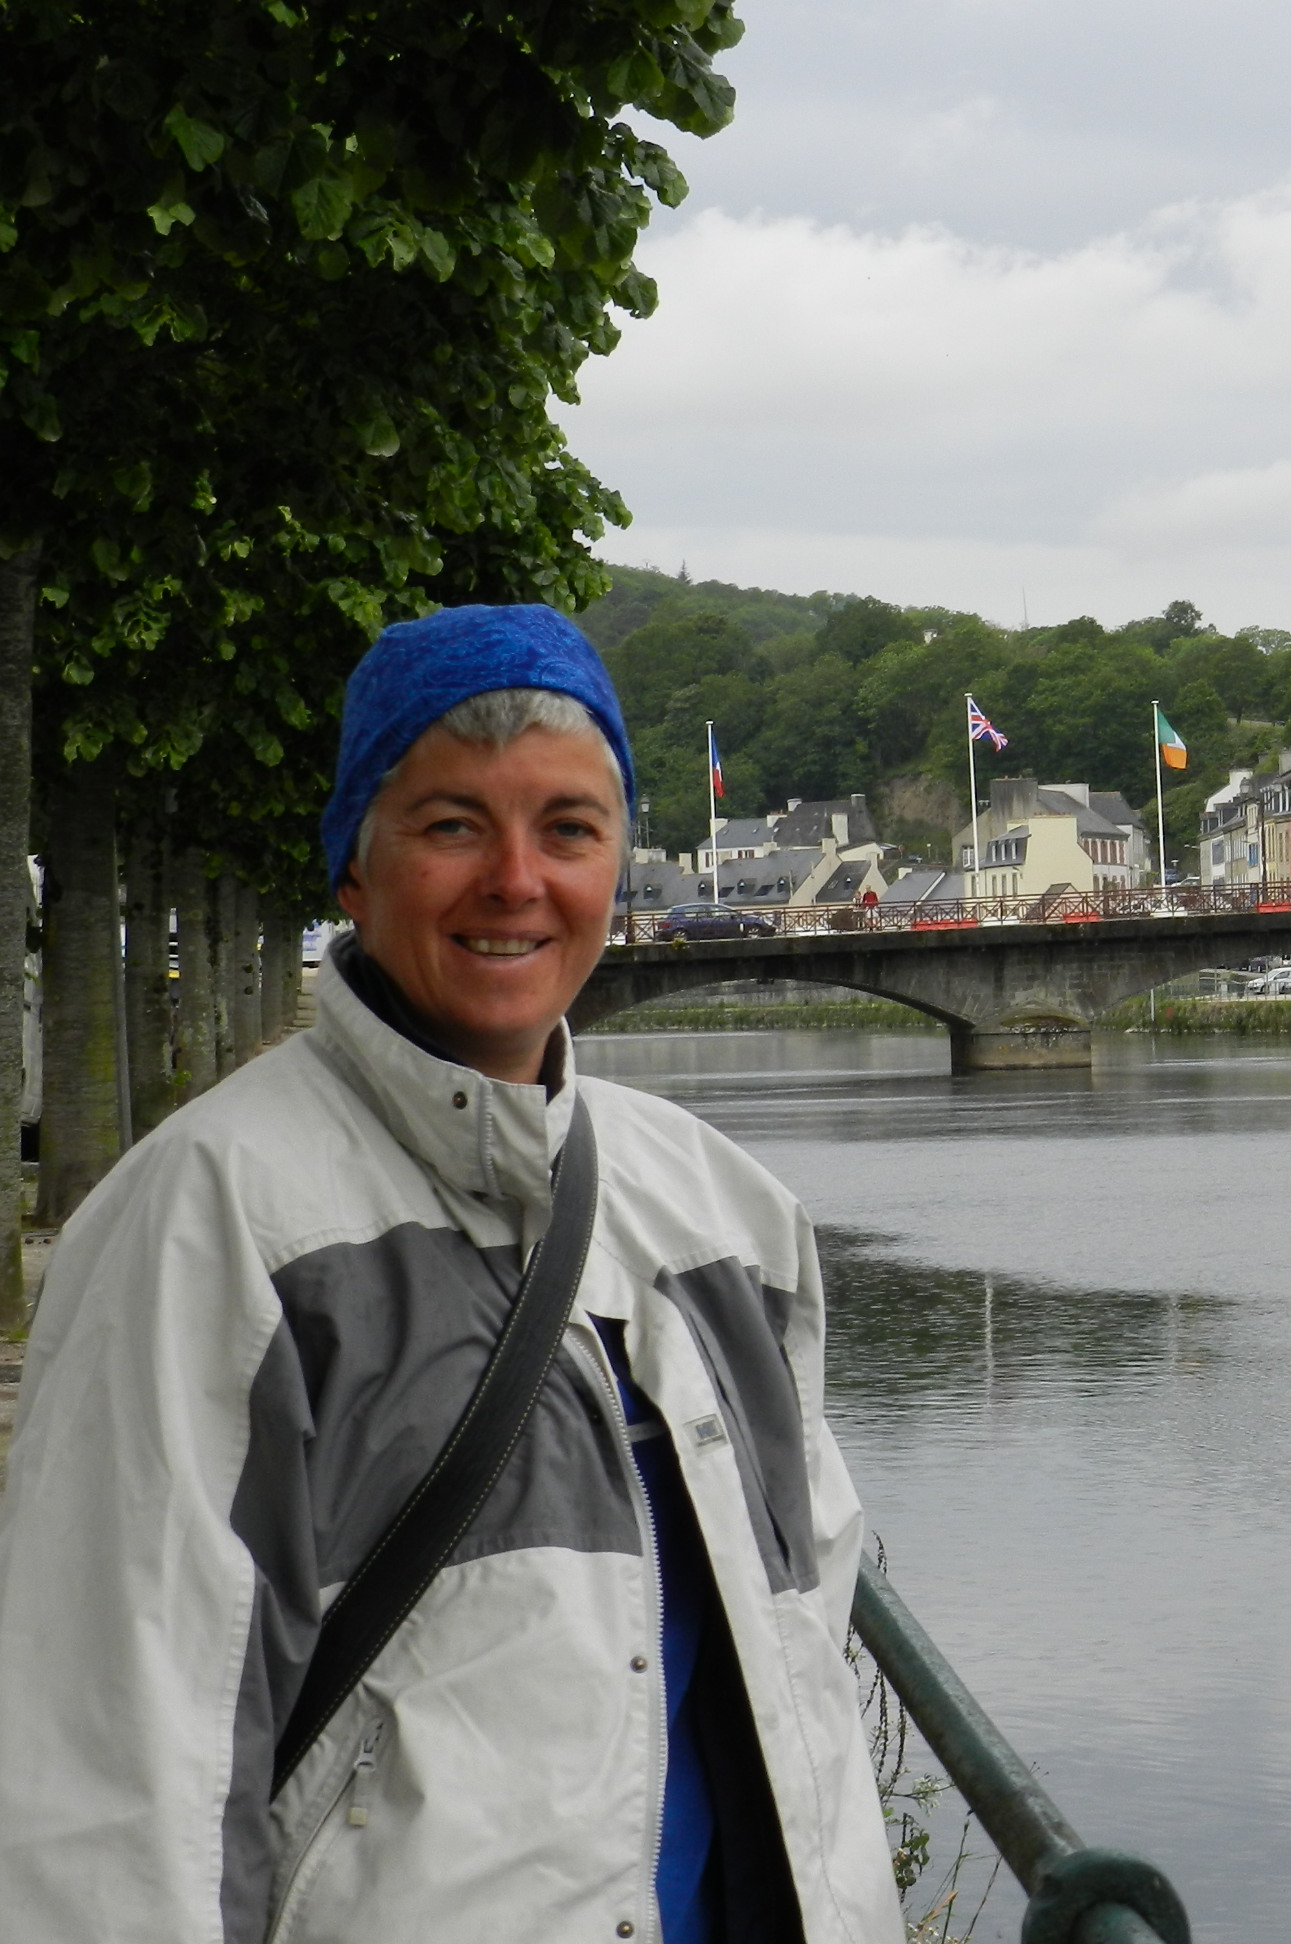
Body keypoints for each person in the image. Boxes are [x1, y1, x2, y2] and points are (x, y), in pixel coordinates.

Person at [0, 606, 904, 1944]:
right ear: (354, 870)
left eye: (570, 828)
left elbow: (805, 1641)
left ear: (617, 863)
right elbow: (112, 1795)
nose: (517, 880)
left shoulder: (727, 1213)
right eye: (452, 825)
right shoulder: (205, 1226)